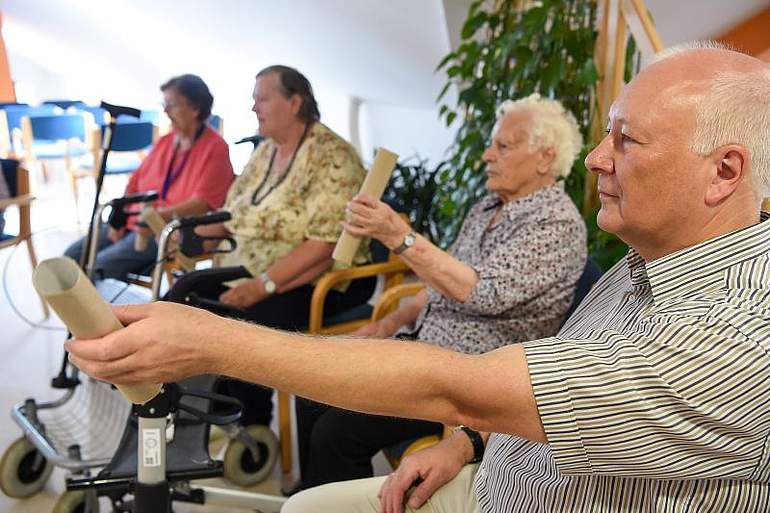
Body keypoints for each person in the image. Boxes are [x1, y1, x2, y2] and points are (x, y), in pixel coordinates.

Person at [66, 42, 770, 513]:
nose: (595, 158)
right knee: (308, 498)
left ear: (724, 173)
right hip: (492, 456)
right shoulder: (647, 259)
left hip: (478, 392)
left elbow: (463, 370)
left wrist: (215, 340)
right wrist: (465, 441)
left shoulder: (738, 331)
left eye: (626, 138)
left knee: (329, 430)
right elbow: (549, 385)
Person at [293, 93, 587, 492]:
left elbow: (482, 292)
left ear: (544, 157)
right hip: (422, 349)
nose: (487, 155)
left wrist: (399, 235)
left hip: (466, 381)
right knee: (311, 386)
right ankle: (311, 494)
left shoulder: (556, 225)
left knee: (336, 431)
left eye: (503, 146)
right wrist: (388, 324)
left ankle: (319, 495)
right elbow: (441, 284)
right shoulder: (487, 207)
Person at [187, 65, 374, 427]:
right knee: (191, 298)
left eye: (262, 99)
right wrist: (192, 237)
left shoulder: (332, 156)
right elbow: (233, 212)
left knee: (245, 325)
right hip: (251, 265)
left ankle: (251, 427)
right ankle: (214, 415)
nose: (254, 108)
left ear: (294, 102)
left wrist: (261, 286)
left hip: (322, 278)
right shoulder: (266, 151)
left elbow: (322, 248)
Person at [64, 74, 234, 280]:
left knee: (96, 269)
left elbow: (202, 203)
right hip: (133, 222)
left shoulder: (215, 147)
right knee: (68, 260)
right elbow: (134, 183)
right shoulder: (165, 142)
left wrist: (154, 218)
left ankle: (102, 311)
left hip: (161, 231)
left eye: (171, 104)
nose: (165, 110)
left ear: (195, 108)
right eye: (165, 103)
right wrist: (119, 218)